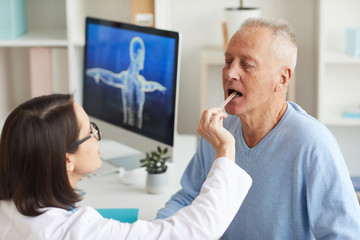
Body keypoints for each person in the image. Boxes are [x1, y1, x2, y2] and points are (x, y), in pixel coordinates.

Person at [156, 17, 360, 239]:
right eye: (228, 60)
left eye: (247, 65)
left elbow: (344, 235)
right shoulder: (218, 131)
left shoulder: (315, 145)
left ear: (282, 78)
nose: (229, 73)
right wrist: (154, 231)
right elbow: (188, 198)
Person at [0, 94, 252, 240]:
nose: (97, 136)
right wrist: (226, 150)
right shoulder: (77, 233)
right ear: (67, 160)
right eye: (90, 131)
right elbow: (192, 232)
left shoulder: (13, 207)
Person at [86, 36, 166, 129]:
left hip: (138, 133)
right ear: (135, 55)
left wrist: (159, 86)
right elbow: (111, 78)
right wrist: (95, 72)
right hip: (129, 128)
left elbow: (150, 85)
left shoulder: (140, 81)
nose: (143, 59)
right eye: (142, 55)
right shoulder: (126, 78)